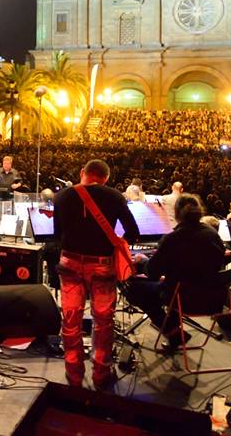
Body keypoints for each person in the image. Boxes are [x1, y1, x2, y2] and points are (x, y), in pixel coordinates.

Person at [53, 159, 139, 391]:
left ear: (83, 173)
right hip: (102, 266)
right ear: (106, 178)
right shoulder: (114, 197)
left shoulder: (61, 197)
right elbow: (133, 232)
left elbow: (57, 234)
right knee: (103, 321)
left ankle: (73, 372)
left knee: (70, 319)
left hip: (70, 262)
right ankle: (101, 372)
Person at [125, 194, 226, 350]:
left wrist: (143, 259)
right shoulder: (212, 234)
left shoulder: (173, 238)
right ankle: (174, 329)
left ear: (176, 214)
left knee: (134, 289)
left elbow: (152, 273)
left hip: (182, 297)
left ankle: (173, 332)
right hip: (213, 297)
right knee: (172, 284)